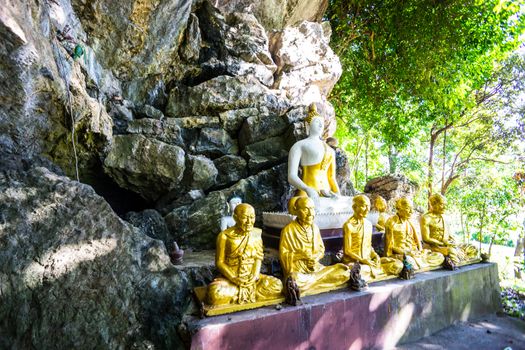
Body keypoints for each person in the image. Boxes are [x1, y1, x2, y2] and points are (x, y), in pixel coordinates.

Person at [207, 203, 283, 305]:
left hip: (252, 278)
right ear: (235, 218)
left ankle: (239, 295)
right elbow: (220, 263)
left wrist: (255, 275)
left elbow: (258, 258)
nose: (249, 222)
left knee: (278, 285)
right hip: (231, 278)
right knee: (215, 294)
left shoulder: (256, 234)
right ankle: (249, 293)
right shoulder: (224, 236)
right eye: (244, 218)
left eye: (252, 217)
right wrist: (234, 278)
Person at [287, 104, 352, 212]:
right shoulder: (300, 145)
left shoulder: (330, 150)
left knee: (350, 204)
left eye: (322, 122)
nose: (321, 125)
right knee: (297, 206)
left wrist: (338, 196)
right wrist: (307, 189)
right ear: (308, 125)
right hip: (306, 194)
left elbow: (331, 178)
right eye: (317, 122)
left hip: (327, 195)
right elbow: (291, 176)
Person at [279, 196, 349, 295]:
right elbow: (283, 256)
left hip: (316, 268)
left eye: (312, 209)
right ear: (296, 211)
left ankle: (312, 283)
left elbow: (321, 249)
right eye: (305, 209)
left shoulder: (315, 228)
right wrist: (300, 255)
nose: (310, 214)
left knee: (344, 273)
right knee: (294, 279)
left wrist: (315, 258)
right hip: (299, 272)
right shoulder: (288, 230)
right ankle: (319, 280)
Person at [342, 195, 403, 280]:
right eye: (364, 206)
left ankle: (371, 272)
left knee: (398, 264)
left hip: (368, 260)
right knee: (360, 270)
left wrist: (375, 256)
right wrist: (363, 260)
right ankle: (371, 272)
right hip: (354, 262)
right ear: (354, 207)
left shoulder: (368, 224)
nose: (367, 209)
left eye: (369, 206)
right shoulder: (348, 225)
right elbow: (347, 251)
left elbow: (368, 246)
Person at [384, 197, 444, 270]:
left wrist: (420, 251)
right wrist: (406, 252)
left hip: (415, 253)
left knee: (439, 256)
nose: (411, 211)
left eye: (412, 208)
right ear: (399, 208)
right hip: (401, 254)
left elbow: (418, 243)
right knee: (409, 261)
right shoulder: (391, 223)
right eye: (408, 208)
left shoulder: (410, 222)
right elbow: (390, 247)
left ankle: (419, 264)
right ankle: (415, 265)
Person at [421, 193, 478, 264]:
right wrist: (443, 243)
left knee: (472, 248)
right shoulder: (426, 218)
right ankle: (457, 264)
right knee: (452, 251)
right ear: (433, 204)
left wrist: (454, 244)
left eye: (445, 204)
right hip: (434, 247)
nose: (444, 207)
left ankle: (462, 257)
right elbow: (426, 239)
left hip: (447, 245)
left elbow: (449, 235)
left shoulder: (444, 218)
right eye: (442, 204)